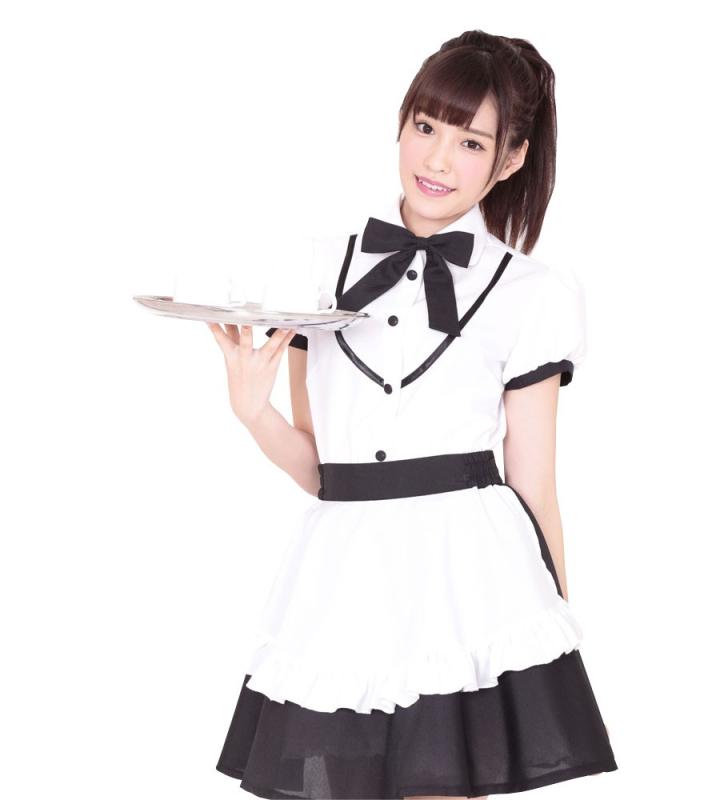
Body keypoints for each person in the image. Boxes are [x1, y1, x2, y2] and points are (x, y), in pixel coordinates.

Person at [207, 29, 617, 800]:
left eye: (471, 142)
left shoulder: (534, 295)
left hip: (470, 585)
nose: (437, 160)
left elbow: (534, 486)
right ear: (400, 122)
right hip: (344, 586)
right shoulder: (314, 270)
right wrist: (252, 414)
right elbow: (323, 473)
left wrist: (549, 647)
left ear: (511, 160)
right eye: (426, 126)